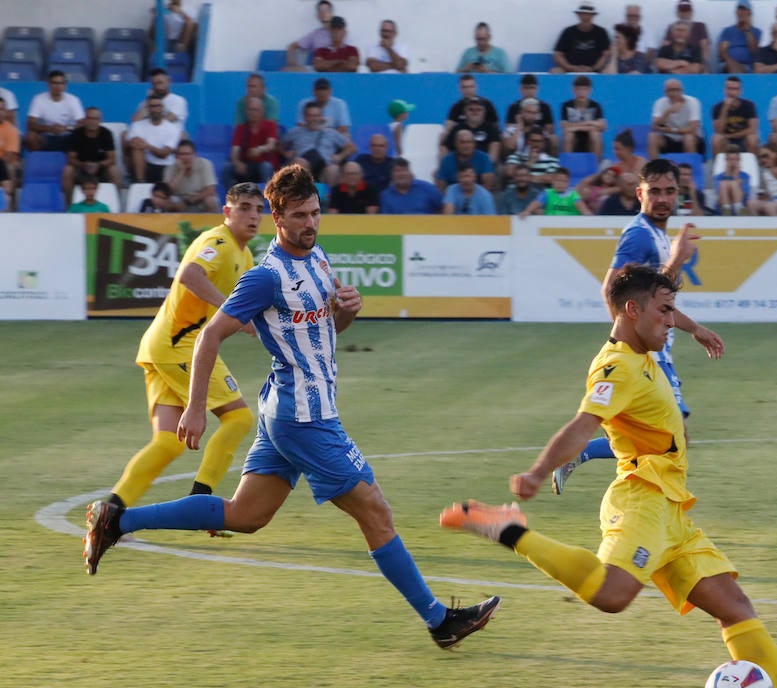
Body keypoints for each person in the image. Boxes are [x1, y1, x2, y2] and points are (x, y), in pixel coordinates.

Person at [84, 165, 501, 650]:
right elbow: (208, 339)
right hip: (305, 418)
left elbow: (325, 334)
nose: (311, 224)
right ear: (277, 218)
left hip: (287, 409)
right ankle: (438, 620)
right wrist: (196, 408)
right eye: (300, 215)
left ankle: (116, 520)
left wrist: (346, 311)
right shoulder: (265, 277)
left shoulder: (318, 258)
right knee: (377, 514)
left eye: (316, 213)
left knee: (246, 515)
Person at [440, 263, 777, 688]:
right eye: (664, 312)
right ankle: (511, 531)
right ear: (632, 309)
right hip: (642, 497)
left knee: (734, 605)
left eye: (673, 311)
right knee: (612, 594)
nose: (670, 321)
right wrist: (539, 472)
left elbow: (661, 318)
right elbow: (583, 425)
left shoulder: (641, 348)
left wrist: (695, 327)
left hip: (671, 506)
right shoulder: (617, 367)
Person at [89, 181, 264, 545]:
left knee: (168, 442)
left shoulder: (244, 257)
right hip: (179, 347)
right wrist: (227, 308)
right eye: (244, 207)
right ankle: (198, 504)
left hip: (163, 346)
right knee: (239, 418)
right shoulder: (218, 242)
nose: (253, 215)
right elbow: (189, 275)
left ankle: (109, 513)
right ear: (227, 212)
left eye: (258, 209)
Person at [550, 159, 723, 495]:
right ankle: (648, 515)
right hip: (648, 356)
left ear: (678, 194)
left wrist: (694, 328)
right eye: (654, 191)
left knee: (666, 438)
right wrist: (628, 342)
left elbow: (657, 300)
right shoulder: (639, 236)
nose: (662, 198)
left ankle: (591, 462)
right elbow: (611, 290)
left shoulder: (656, 234)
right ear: (639, 193)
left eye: (669, 191)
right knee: (672, 440)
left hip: (657, 352)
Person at [282, 101, 354, 187]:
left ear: (321, 117)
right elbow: (279, 144)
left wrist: (340, 156)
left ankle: (329, 198)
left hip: (324, 167)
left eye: (316, 116)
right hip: (304, 165)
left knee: (333, 169)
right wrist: (285, 153)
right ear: (305, 117)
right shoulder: (295, 132)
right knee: (299, 163)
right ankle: (301, 196)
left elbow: (351, 147)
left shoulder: (330, 132)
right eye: (310, 116)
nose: (314, 119)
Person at [61, 107, 118, 200]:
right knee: (68, 170)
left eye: (96, 119)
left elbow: (111, 158)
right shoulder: (76, 134)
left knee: (114, 170)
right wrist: (83, 165)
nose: (93, 121)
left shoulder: (106, 134)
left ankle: (117, 204)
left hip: (100, 170)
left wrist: (98, 165)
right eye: (90, 118)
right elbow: (71, 158)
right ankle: (68, 205)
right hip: (81, 169)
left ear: (100, 120)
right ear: (84, 120)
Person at [124, 97, 183, 184]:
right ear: (148, 108)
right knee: (136, 147)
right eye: (152, 106)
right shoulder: (138, 125)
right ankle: (140, 183)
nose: (155, 109)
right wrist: (134, 143)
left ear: (162, 108)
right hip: (145, 165)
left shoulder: (173, 128)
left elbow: (164, 154)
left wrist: (147, 146)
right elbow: (128, 145)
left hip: (165, 166)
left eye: (157, 106)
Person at [226, 97, 281, 188]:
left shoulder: (271, 125)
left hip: (263, 164)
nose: (252, 112)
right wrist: (237, 162)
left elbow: (271, 145)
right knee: (227, 168)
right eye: (250, 110)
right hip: (246, 165)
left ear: (262, 112)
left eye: (255, 110)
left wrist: (259, 149)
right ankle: (231, 198)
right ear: (246, 112)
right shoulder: (241, 128)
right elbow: (234, 150)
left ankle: (267, 198)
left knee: (266, 167)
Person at [26, 70, 83, 152]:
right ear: (48, 84)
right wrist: (49, 129)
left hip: (68, 135)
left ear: (65, 85)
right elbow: (31, 123)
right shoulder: (39, 99)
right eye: (54, 83)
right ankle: (37, 161)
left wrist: (66, 128)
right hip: (46, 136)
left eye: (61, 83)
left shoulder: (73, 100)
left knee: (83, 136)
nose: (58, 86)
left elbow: (82, 123)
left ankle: (76, 162)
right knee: (31, 136)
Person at [647, 79, 702, 158]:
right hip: (668, 138)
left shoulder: (693, 102)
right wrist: (668, 112)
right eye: (671, 90)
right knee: (652, 136)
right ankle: (655, 167)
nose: (675, 93)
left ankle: (690, 166)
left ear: (682, 91)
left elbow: (693, 129)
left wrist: (672, 130)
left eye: (677, 90)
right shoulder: (659, 103)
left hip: (688, 137)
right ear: (665, 92)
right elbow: (654, 126)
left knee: (688, 138)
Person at [554, 4, 612, 74]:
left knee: (608, 73)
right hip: (570, 70)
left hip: (595, 71)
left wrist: (593, 68)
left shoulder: (601, 32)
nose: (586, 17)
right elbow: (558, 54)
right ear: (578, 15)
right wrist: (570, 67)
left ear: (593, 16)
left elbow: (606, 55)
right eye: (583, 14)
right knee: (555, 71)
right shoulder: (568, 31)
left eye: (589, 14)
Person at [165, 139, 219, 213]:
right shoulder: (170, 167)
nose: (185, 157)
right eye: (181, 154)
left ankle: (214, 223)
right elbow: (166, 192)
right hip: (179, 199)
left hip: (199, 198)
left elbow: (210, 190)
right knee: (165, 201)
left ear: (195, 155)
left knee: (209, 200)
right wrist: (181, 172)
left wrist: (188, 202)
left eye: (187, 154)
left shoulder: (205, 164)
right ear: (176, 156)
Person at [711, 76, 760, 155]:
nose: (732, 92)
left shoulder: (749, 105)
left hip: (743, 138)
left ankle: (753, 165)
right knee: (716, 139)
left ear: (740, 91)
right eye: (729, 88)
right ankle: (719, 165)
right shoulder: (717, 107)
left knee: (752, 138)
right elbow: (718, 131)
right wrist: (725, 109)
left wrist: (731, 136)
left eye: (735, 89)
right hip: (726, 140)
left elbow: (752, 129)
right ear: (725, 90)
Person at [560, 75, 607, 156]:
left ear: (590, 90)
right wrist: (590, 124)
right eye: (578, 89)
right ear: (573, 90)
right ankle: (567, 166)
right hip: (574, 137)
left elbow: (603, 126)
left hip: (589, 138)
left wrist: (575, 127)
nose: (581, 93)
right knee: (568, 136)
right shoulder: (566, 105)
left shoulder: (595, 106)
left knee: (595, 135)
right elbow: (564, 127)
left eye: (584, 89)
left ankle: (596, 166)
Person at [378, 157, 442, 214]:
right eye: (397, 171)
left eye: (404, 170)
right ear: (391, 176)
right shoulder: (385, 196)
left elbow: (443, 208)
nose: (402, 174)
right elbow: (385, 221)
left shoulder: (428, 188)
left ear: (411, 173)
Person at [520, 166, 591, 216]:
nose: (560, 183)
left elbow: (584, 209)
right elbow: (536, 203)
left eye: (563, 181)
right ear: (552, 181)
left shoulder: (574, 195)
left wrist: (590, 217)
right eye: (557, 180)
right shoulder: (547, 193)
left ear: (568, 183)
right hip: (550, 228)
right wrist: (527, 211)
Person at [286, 0, 334, 71]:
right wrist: (292, 62)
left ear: (331, 13)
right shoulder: (315, 35)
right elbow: (292, 46)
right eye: (321, 11)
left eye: (326, 10)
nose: (324, 13)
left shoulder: (339, 31)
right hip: (317, 68)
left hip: (335, 68)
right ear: (318, 15)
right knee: (286, 70)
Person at [718, 1, 762, 73]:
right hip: (728, 64)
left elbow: (755, 53)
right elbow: (722, 54)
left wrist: (747, 30)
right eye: (739, 10)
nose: (741, 12)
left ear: (750, 13)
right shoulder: (727, 31)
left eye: (744, 10)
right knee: (733, 68)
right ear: (736, 12)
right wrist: (732, 62)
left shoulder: (757, 32)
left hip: (749, 66)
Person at [713, 148, 752, 215]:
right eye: (730, 159)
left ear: (739, 160)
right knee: (723, 184)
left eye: (735, 159)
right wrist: (727, 174)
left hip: (740, 204)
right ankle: (726, 211)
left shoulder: (745, 176)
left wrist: (736, 176)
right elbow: (718, 194)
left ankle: (738, 210)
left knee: (733, 184)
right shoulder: (718, 176)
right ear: (726, 160)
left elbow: (744, 194)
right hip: (722, 207)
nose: (732, 162)